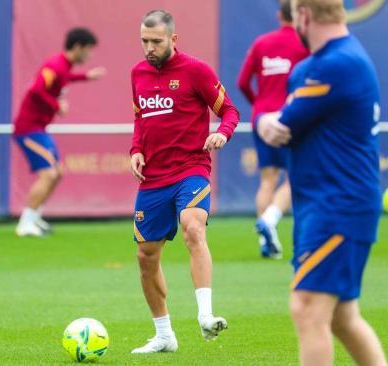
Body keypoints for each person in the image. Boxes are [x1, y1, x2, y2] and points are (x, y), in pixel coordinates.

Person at [259, 0, 387, 364]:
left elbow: (281, 126)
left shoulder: (336, 63)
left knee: (307, 306)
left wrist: (269, 121)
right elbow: (282, 124)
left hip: (339, 206)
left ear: (304, 15)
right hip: (323, 204)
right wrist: (271, 123)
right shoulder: (325, 63)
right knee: (343, 318)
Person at [129, 10, 240, 354]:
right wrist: (136, 149)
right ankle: (164, 335)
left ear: (173, 39)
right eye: (145, 41)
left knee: (194, 227)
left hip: (191, 169)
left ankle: (206, 315)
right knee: (146, 257)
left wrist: (222, 133)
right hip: (153, 178)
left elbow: (230, 111)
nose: (149, 48)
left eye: (156, 41)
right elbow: (139, 118)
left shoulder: (197, 71)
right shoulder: (137, 73)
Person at [13, 28, 105, 237]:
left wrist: (85, 77)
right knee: (49, 174)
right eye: (88, 50)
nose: (89, 55)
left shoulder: (64, 67)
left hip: (39, 129)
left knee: (57, 173)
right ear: (78, 47)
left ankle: (34, 218)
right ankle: (25, 224)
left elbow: (65, 78)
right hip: (28, 129)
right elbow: (36, 89)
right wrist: (56, 105)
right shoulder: (54, 65)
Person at [237, 0, 309, 259]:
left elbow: (243, 82)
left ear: (279, 15)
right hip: (290, 116)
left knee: (268, 179)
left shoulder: (261, 43)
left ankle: (265, 242)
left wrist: (258, 104)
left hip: (262, 117)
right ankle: (270, 219)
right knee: (295, 178)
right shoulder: (304, 43)